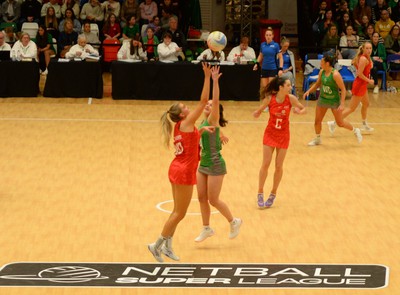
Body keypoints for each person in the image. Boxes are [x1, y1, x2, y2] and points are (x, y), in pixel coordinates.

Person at [148, 63, 215, 263]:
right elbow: (204, 101)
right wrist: (206, 76)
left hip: (176, 167)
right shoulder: (186, 122)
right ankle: (157, 244)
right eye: (185, 107)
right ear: (183, 114)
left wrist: (202, 131)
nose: (188, 106)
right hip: (184, 171)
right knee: (179, 213)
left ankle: (168, 246)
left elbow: (189, 139)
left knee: (177, 211)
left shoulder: (181, 125)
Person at [194, 66, 242, 243]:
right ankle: (206, 228)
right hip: (203, 163)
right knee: (201, 197)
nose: (207, 106)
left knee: (213, 200)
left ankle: (234, 221)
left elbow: (214, 100)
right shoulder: (203, 120)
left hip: (215, 164)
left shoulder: (213, 118)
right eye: (205, 105)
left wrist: (214, 81)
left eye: (209, 106)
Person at [253, 77, 306, 209]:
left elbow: (303, 108)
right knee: (265, 163)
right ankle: (260, 192)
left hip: (283, 135)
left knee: (278, 165)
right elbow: (260, 109)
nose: (290, 87)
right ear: (281, 87)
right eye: (288, 85)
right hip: (270, 133)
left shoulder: (291, 98)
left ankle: (273, 193)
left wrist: (299, 112)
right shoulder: (270, 98)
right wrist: (257, 113)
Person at [303, 54, 363, 146]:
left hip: (334, 101)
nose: (320, 63)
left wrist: (342, 103)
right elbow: (317, 84)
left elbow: (343, 89)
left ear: (327, 63)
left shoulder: (335, 74)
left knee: (340, 123)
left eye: (322, 62)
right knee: (317, 121)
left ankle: (355, 130)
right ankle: (318, 138)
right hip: (323, 99)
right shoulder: (321, 72)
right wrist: (309, 91)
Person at [327, 42, 375, 135]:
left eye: (370, 48)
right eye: (367, 48)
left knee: (366, 104)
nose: (369, 50)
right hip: (359, 85)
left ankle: (364, 124)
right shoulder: (363, 59)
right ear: (364, 49)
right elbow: (359, 74)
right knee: (351, 109)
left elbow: (358, 65)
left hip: (363, 85)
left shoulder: (366, 58)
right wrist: (369, 80)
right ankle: (334, 123)